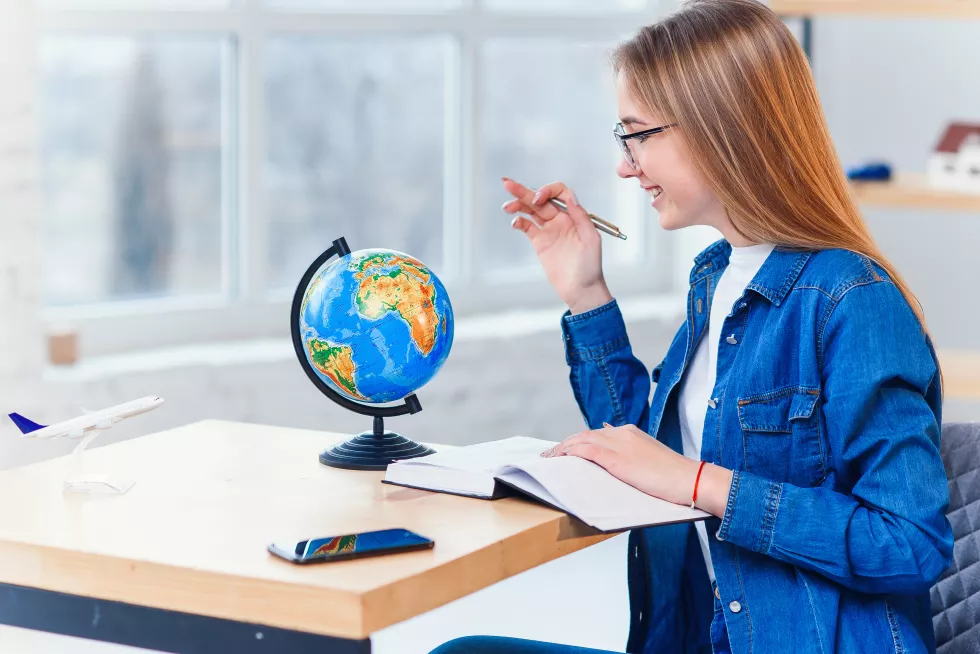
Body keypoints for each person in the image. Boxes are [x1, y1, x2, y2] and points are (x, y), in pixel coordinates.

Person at [430, 0, 954, 653]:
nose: (625, 166)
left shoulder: (851, 300)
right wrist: (585, 292)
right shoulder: (717, 276)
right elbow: (649, 453)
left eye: (639, 134)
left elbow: (910, 543)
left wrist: (702, 485)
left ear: (721, 127)